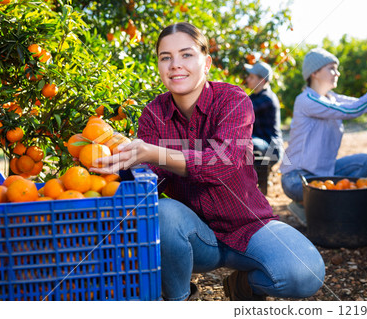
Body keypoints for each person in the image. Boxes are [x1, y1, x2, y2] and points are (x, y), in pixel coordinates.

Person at [92, 22, 325, 301]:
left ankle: (244, 285)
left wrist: (154, 153)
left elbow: (220, 164)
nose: (175, 64)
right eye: (166, 57)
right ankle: (180, 300)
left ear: (207, 63)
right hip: (194, 236)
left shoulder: (233, 99)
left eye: (186, 54)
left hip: (248, 226)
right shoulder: (154, 114)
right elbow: (149, 179)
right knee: (163, 213)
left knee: (304, 274)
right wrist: (114, 166)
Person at [281, 48, 367, 204]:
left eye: (337, 69)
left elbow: (360, 105)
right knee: (317, 191)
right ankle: (305, 206)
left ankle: (316, 204)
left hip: (323, 174)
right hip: (296, 178)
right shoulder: (306, 100)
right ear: (314, 73)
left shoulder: (332, 98)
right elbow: (353, 110)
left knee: (364, 161)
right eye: (331, 69)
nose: (337, 73)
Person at [244, 61, 284, 163]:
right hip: (258, 142)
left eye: (251, 77)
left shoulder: (267, 99)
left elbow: (242, 111)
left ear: (261, 80)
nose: (247, 79)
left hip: (271, 148)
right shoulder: (253, 97)